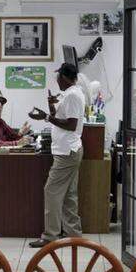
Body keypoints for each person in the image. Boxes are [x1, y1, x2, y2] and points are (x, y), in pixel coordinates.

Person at [28, 63, 85, 247]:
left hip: (67, 152)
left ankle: (50, 236)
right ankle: (74, 235)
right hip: (68, 150)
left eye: (58, 77)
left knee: (51, 191)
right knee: (69, 195)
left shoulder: (73, 95)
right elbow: (62, 119)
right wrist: (52, 107)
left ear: (65, 78)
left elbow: (71, 125)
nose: (57, 81)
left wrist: (46, 117)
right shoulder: (69, 94)